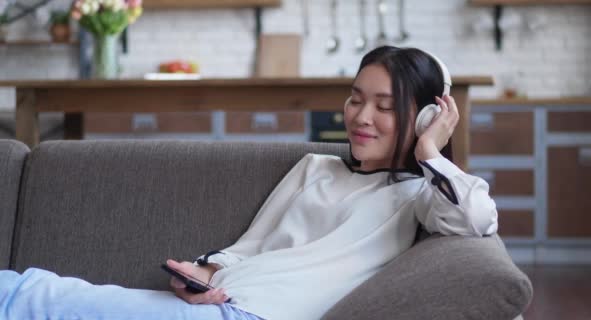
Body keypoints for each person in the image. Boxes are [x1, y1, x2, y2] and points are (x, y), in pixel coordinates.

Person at [0, 46, 498, 320]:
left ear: (429, 113)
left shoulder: (418, 196)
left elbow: (476, 220)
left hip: (263, 318)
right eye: (354, 98)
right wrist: (205, 272)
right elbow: (248, 247)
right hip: (222, 306)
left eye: (385, 107)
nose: (361, 117)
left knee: (36, 298)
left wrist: (429, 151)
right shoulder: (314, 168)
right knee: (27, 289)